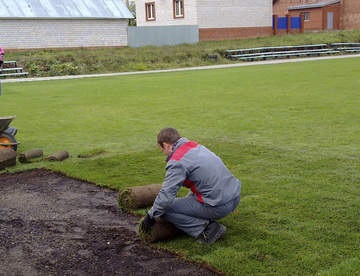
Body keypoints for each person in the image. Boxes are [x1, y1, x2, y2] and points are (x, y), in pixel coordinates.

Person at [141, 127, 241, 244]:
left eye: (162, 149)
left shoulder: (177, 161)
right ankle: (202, 220)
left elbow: (166, 196)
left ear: (166, 145)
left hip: (219, 205)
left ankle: (207, 230)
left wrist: (151, 215)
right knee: (187, 200)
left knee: (165, 209)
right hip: (233, 196)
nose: (163, 153)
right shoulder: (195, 146)